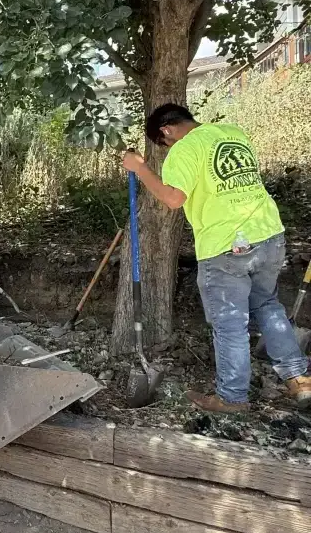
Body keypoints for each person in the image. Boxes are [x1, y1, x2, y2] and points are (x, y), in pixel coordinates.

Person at [122, 103, 310, 414]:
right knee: (267, 305)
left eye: (164, 142)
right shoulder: (233, 134)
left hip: (226, 246)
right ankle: (299, 379)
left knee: (230, 324)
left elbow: (172, 199)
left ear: (167, 130)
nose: (168, 146)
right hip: (269, 235)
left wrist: (139, 168)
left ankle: (232, 398)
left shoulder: (185, 148)